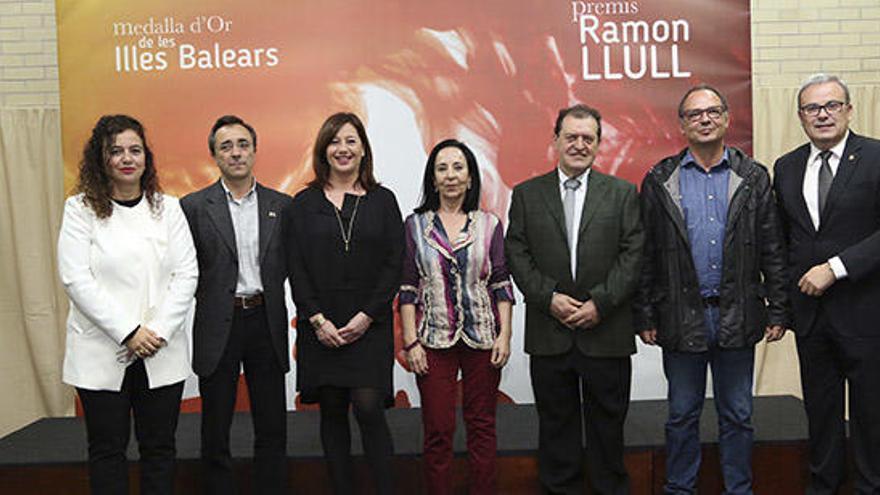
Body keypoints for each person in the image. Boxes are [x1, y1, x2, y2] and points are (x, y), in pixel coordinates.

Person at [634, 84, 789, 494]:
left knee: (737, 413)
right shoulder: (659, 178)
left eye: (712, 111)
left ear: (725, 118)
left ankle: (739, 489)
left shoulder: (754, 177)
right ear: (682, 124)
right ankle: (679, 488)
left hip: (738, 313)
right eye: (694, 113)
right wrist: (645, 313)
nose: (704, 119)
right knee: (682, 414)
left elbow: (773, 246)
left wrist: (778, 308)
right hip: (681, 315)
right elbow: (646, 252)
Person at [505, 104, 644, 494]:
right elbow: (517, 253)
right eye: (572, 137)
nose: (579, 144)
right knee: (556, 432)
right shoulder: (527, 195)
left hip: (607, 331)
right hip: (551, 334)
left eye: (588, 138)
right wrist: (548, 297)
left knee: (607, 432)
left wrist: (600, 302)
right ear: (556, 141)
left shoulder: (621, 194)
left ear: (598, 144)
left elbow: (633, 255)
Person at [58, 114, 198, 495]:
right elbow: (76, 279)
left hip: (160, 349)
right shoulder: (80, 209)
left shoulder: (168, 208)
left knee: (160, 449)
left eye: (135, 150)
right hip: (101, 351)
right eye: (116, 151)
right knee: (107, 450)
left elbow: (187, 274)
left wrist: (156, 334)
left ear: (146, 158)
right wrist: (128, 332)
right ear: (100, 159)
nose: (126, 158)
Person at [773, 74, 880, 494]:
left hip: (866, 315)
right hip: (812, 320)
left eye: (831, 105)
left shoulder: (875, 157)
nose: (822, 114)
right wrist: (779, 306)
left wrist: (835, 267)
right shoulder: (786, 166)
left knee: (871, 418)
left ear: (849, 110)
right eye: (812, 108)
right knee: (820, 418)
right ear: (800, 116)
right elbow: (784, 242)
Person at [288, 112, 404, 494]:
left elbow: (394, 263)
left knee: (369, 409)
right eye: (335, 141)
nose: (343, 149)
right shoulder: (302, 204)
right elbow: (296, 266)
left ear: (363, 149)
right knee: (333, 413)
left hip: (369, 325)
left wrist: (368, 316)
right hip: (321, 327)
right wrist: (318, 320)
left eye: (351, 141)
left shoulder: (384, 200)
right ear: (324, 149)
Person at [180, 115, 293, 495]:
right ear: (214, 155)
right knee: (215, 428)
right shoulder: (193, 208)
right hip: (218, 324)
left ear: (255, 151)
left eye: (243, 144)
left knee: (273, 427)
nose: (236, 152)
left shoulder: (283, 205)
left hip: (265, 321)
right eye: (226, 146)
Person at [399, 139, 514, 495]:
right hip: (432, 339)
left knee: (481, 427)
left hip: (483, 337)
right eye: (442, 168)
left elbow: (501, 283)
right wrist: (410, 341)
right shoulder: (415, 226)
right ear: (433, 179)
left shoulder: (490, 224)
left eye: (458, 168)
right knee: (437, 429)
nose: (450, 176)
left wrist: (505, 336)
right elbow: (407, 286)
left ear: (469, 177)